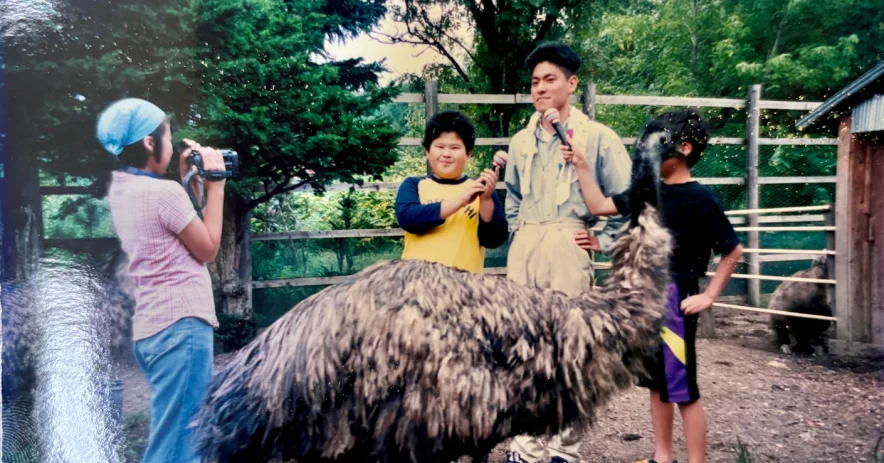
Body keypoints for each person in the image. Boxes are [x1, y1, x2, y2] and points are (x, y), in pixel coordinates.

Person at [574, 108, 744, 463]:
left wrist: (709, 295)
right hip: (646, 301)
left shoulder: (702, 200)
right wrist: (583, 166)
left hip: (675, 302)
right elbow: (599, 205)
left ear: (684, 148)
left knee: (683, 389)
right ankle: (662, 456)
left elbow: (733, 251)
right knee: (656, 382)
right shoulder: (646, 193)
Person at [504, 42, 632, 463]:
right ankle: (525, 448)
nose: (540, 89)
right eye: (534, 82)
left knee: (571, 349)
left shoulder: (599, 138)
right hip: (527, 243)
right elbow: (513, 195)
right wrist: (518, 232)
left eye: (550, 80)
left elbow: (629, 198)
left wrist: (604, 240)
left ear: (571, 84)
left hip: (569, 240)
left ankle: (564, 448)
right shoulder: (520, 141)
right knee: (523, 348)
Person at [97, 98, 227, 463]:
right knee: (178, 447)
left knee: (177, 435)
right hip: (181, 327)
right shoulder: (163, 194)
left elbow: (178, 229)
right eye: (168, 137)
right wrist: (216, 186)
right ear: (149, 142)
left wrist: (189, 184)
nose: (172, 146)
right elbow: (207, 248)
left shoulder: (123, 188)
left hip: (153, 329)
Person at [395, 110, 509, 272]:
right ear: (427, 151)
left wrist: (485, 200)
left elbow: (493, 240)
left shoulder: (483, 191)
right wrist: (459, 202)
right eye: (440, 146)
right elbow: (409, 219)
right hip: (417, 283)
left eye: (455, 147)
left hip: (465, 285)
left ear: (468, 153)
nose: (446, 154)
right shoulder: (414, 185)